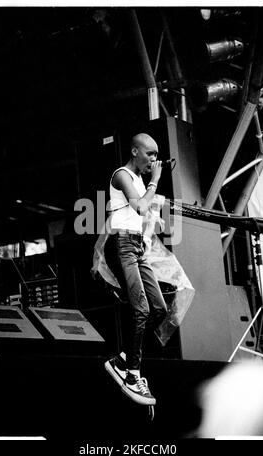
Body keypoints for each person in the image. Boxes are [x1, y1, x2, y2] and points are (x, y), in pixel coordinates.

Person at [104, 133, 167, 406]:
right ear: (134, 151)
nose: (153, 160)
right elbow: (140, 207)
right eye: (150, 154)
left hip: (137, 246)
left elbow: (145, 214)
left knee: (159, 309)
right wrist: (155, 181)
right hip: (122, 245)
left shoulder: (140, 181)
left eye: (155, 156)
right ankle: (132, 374)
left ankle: (122, 360)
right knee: (141, 308)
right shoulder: (122, 175)